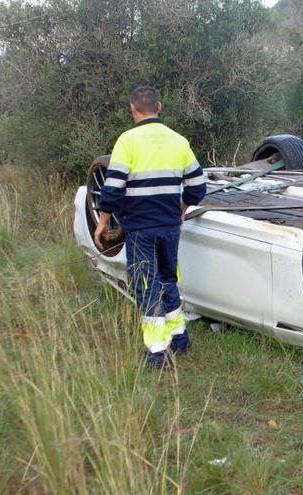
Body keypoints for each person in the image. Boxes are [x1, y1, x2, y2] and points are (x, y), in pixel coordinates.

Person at [94, 86, 206, 368]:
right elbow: (197, 186)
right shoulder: (179, 141)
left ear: (133, 110)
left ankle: (157, 352)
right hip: (170, 226)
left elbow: (113, 188)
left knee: (146, 285)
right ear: (160, 107)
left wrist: (103, 222)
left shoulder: (127, 141)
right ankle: (179, 338)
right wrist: (181, 209)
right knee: (168, 278)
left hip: (140, 228)